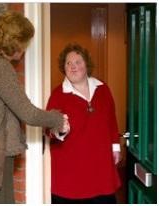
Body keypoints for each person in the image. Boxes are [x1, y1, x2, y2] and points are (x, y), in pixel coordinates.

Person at [0, 11, 69, 204]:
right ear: (16, 41)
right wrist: (57, 119)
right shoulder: (0, 68)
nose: (24, 48)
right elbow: (28, 113)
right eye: (25, 42)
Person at [46, 43, 121, 204]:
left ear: (86, 64)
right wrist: (59, 129)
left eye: (78, 62)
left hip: (101, 167)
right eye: (68, 63)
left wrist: (116, 147)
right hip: (71, 172)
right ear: (63, 67)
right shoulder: (58, 95)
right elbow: (48, 129)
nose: (73, 67)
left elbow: (111, 120)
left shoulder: (103, 89)